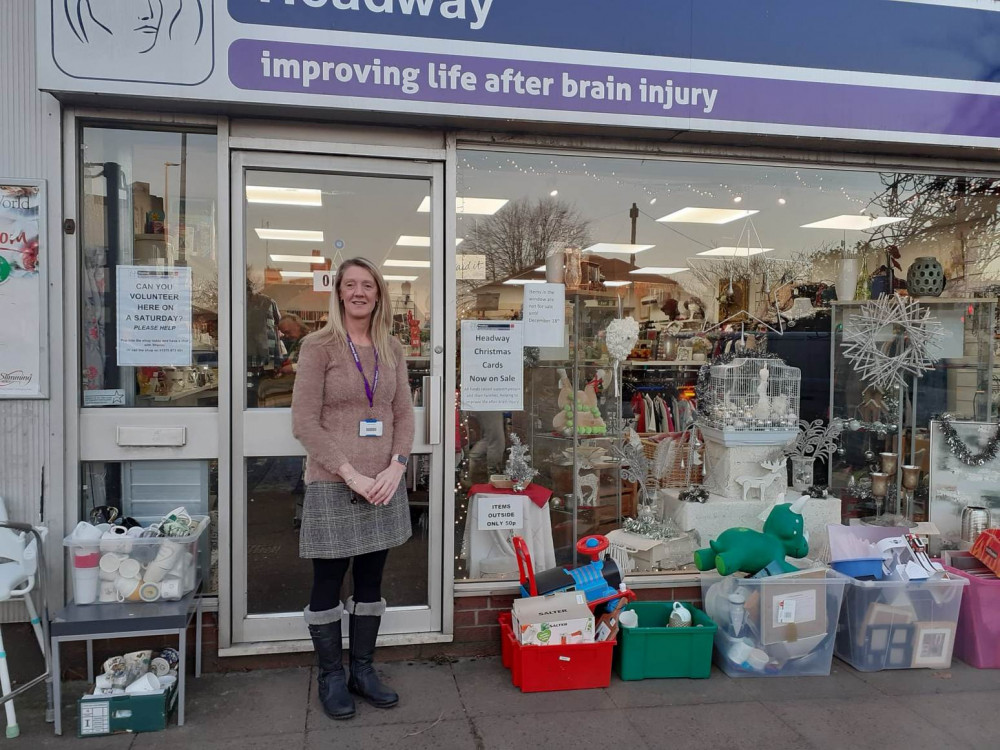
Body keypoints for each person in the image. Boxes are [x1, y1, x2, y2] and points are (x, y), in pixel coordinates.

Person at [291, 257, 414, 721]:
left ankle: (363, 670)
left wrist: (396, 466)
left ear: (378, 294)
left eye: (368, 285)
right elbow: (304, 421)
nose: (359, 292)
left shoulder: (392, 347)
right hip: (334, 480)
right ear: (339, 292)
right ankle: (331, 676)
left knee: (370, 580)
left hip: (383, 482)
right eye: (351, 285)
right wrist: (350, 473)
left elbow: (404, 414)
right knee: (327, 580)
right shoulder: (318, 345)